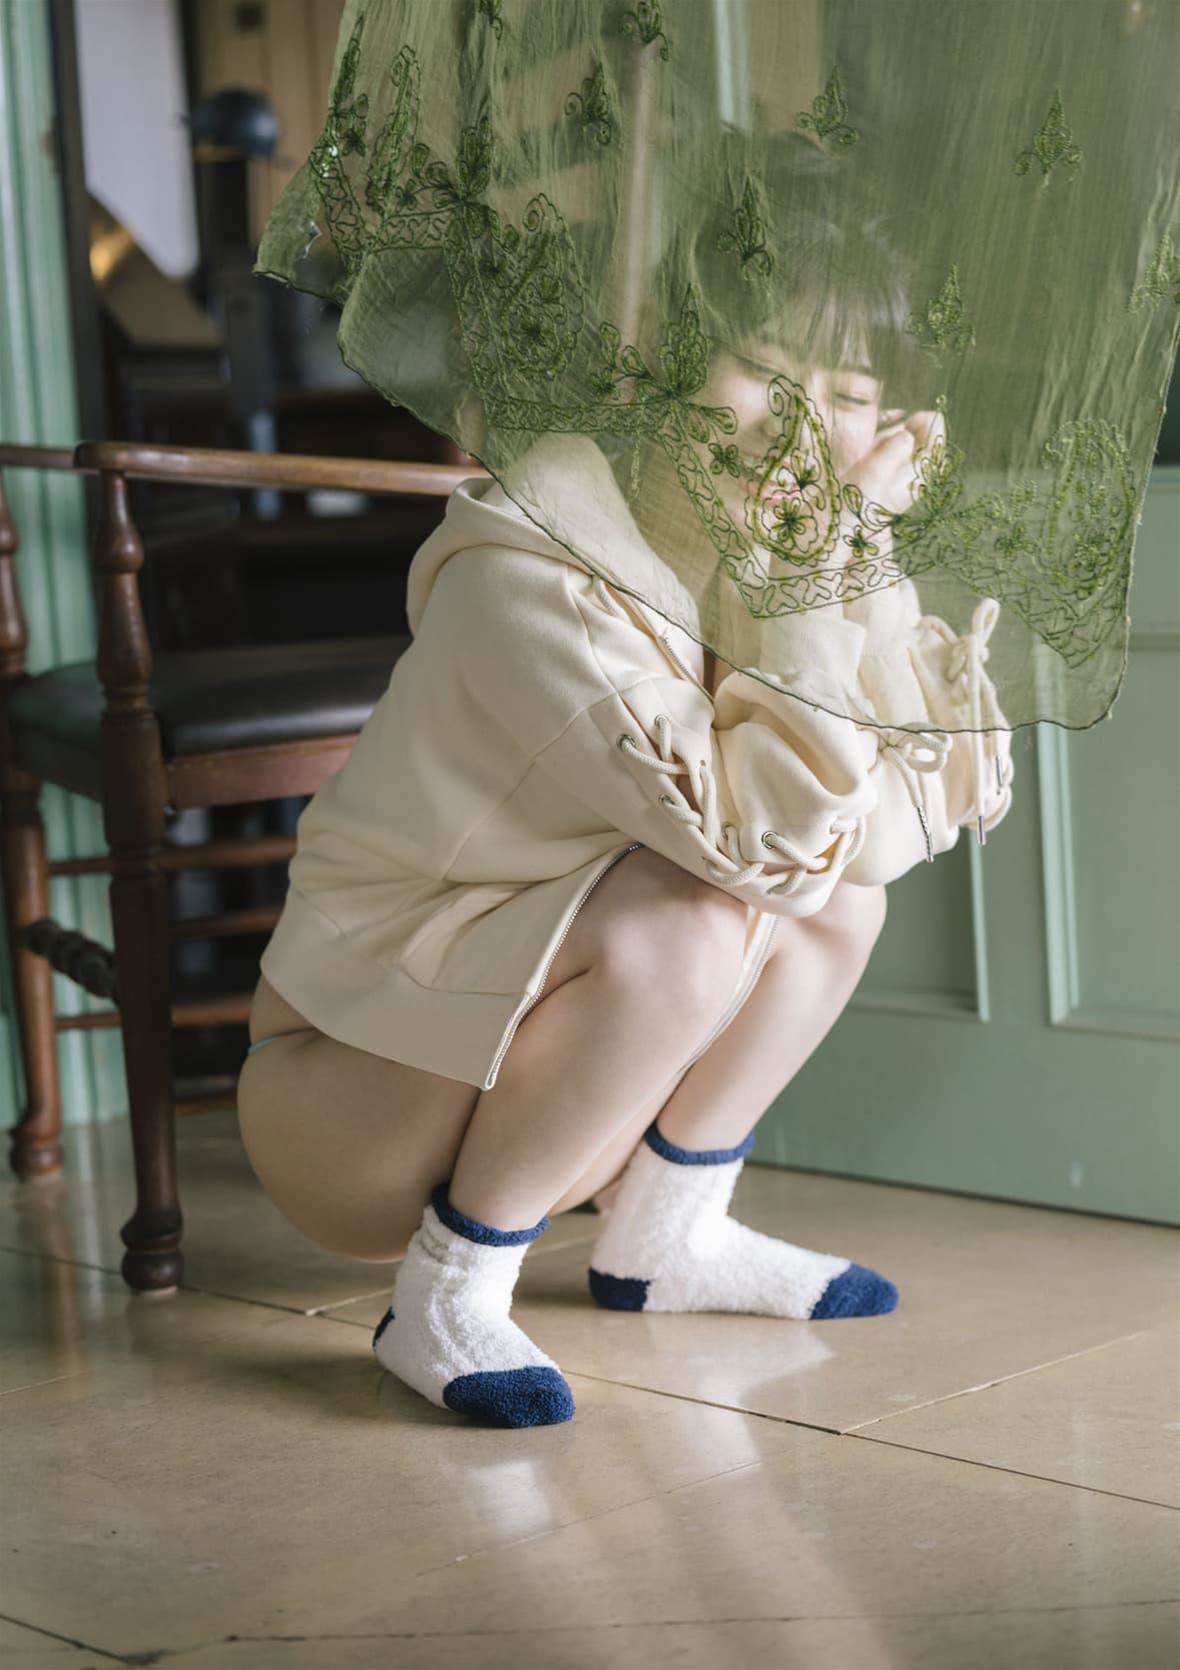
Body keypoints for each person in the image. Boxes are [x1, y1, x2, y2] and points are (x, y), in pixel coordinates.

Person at [235, 139, 1014, 1430]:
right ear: (666, 354)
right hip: (347, 1105)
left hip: (534, 1080)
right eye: (765, 365)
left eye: (851, 390)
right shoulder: (545, 565)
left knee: (841, 901)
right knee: (696, 914)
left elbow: (866, 840)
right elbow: (757, 842)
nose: (807, 423)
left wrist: (853, 562)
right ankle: (448, 1290)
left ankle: (665, 1231)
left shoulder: (774, 545)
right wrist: (823, 570)